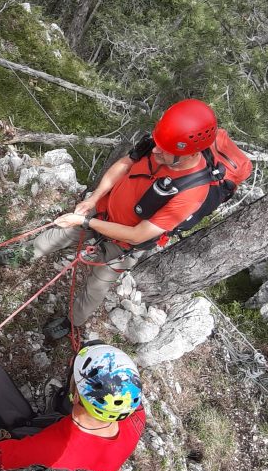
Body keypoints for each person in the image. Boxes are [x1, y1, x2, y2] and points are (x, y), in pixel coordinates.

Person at [34, 99, 226, 331]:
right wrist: (93, 199)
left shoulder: (192, 192)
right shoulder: (159, 144)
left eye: (165, 150)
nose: (155, 150)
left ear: (188, 154)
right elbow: (124, 166)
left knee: (97, 286)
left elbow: (138, 235)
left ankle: (71, 323)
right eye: (157, 143)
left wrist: (85, 221)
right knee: (55, 237)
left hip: (124, 245)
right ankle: (19, 254)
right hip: (103, 211)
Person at [0, 342, 146, 471]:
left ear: (75, 395)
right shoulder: (136, 416)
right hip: (78, 449)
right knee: (92, 347)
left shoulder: (48, 452)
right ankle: (56, 409)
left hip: (51, 451)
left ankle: (23, 426)